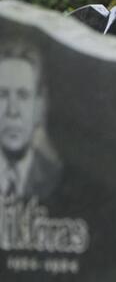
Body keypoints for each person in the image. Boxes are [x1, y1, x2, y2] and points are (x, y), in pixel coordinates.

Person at [0, 41, 61, 201]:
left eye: (23, 96)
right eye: (3, 95)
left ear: (39, 106)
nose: (12, 111)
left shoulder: (58, 178)